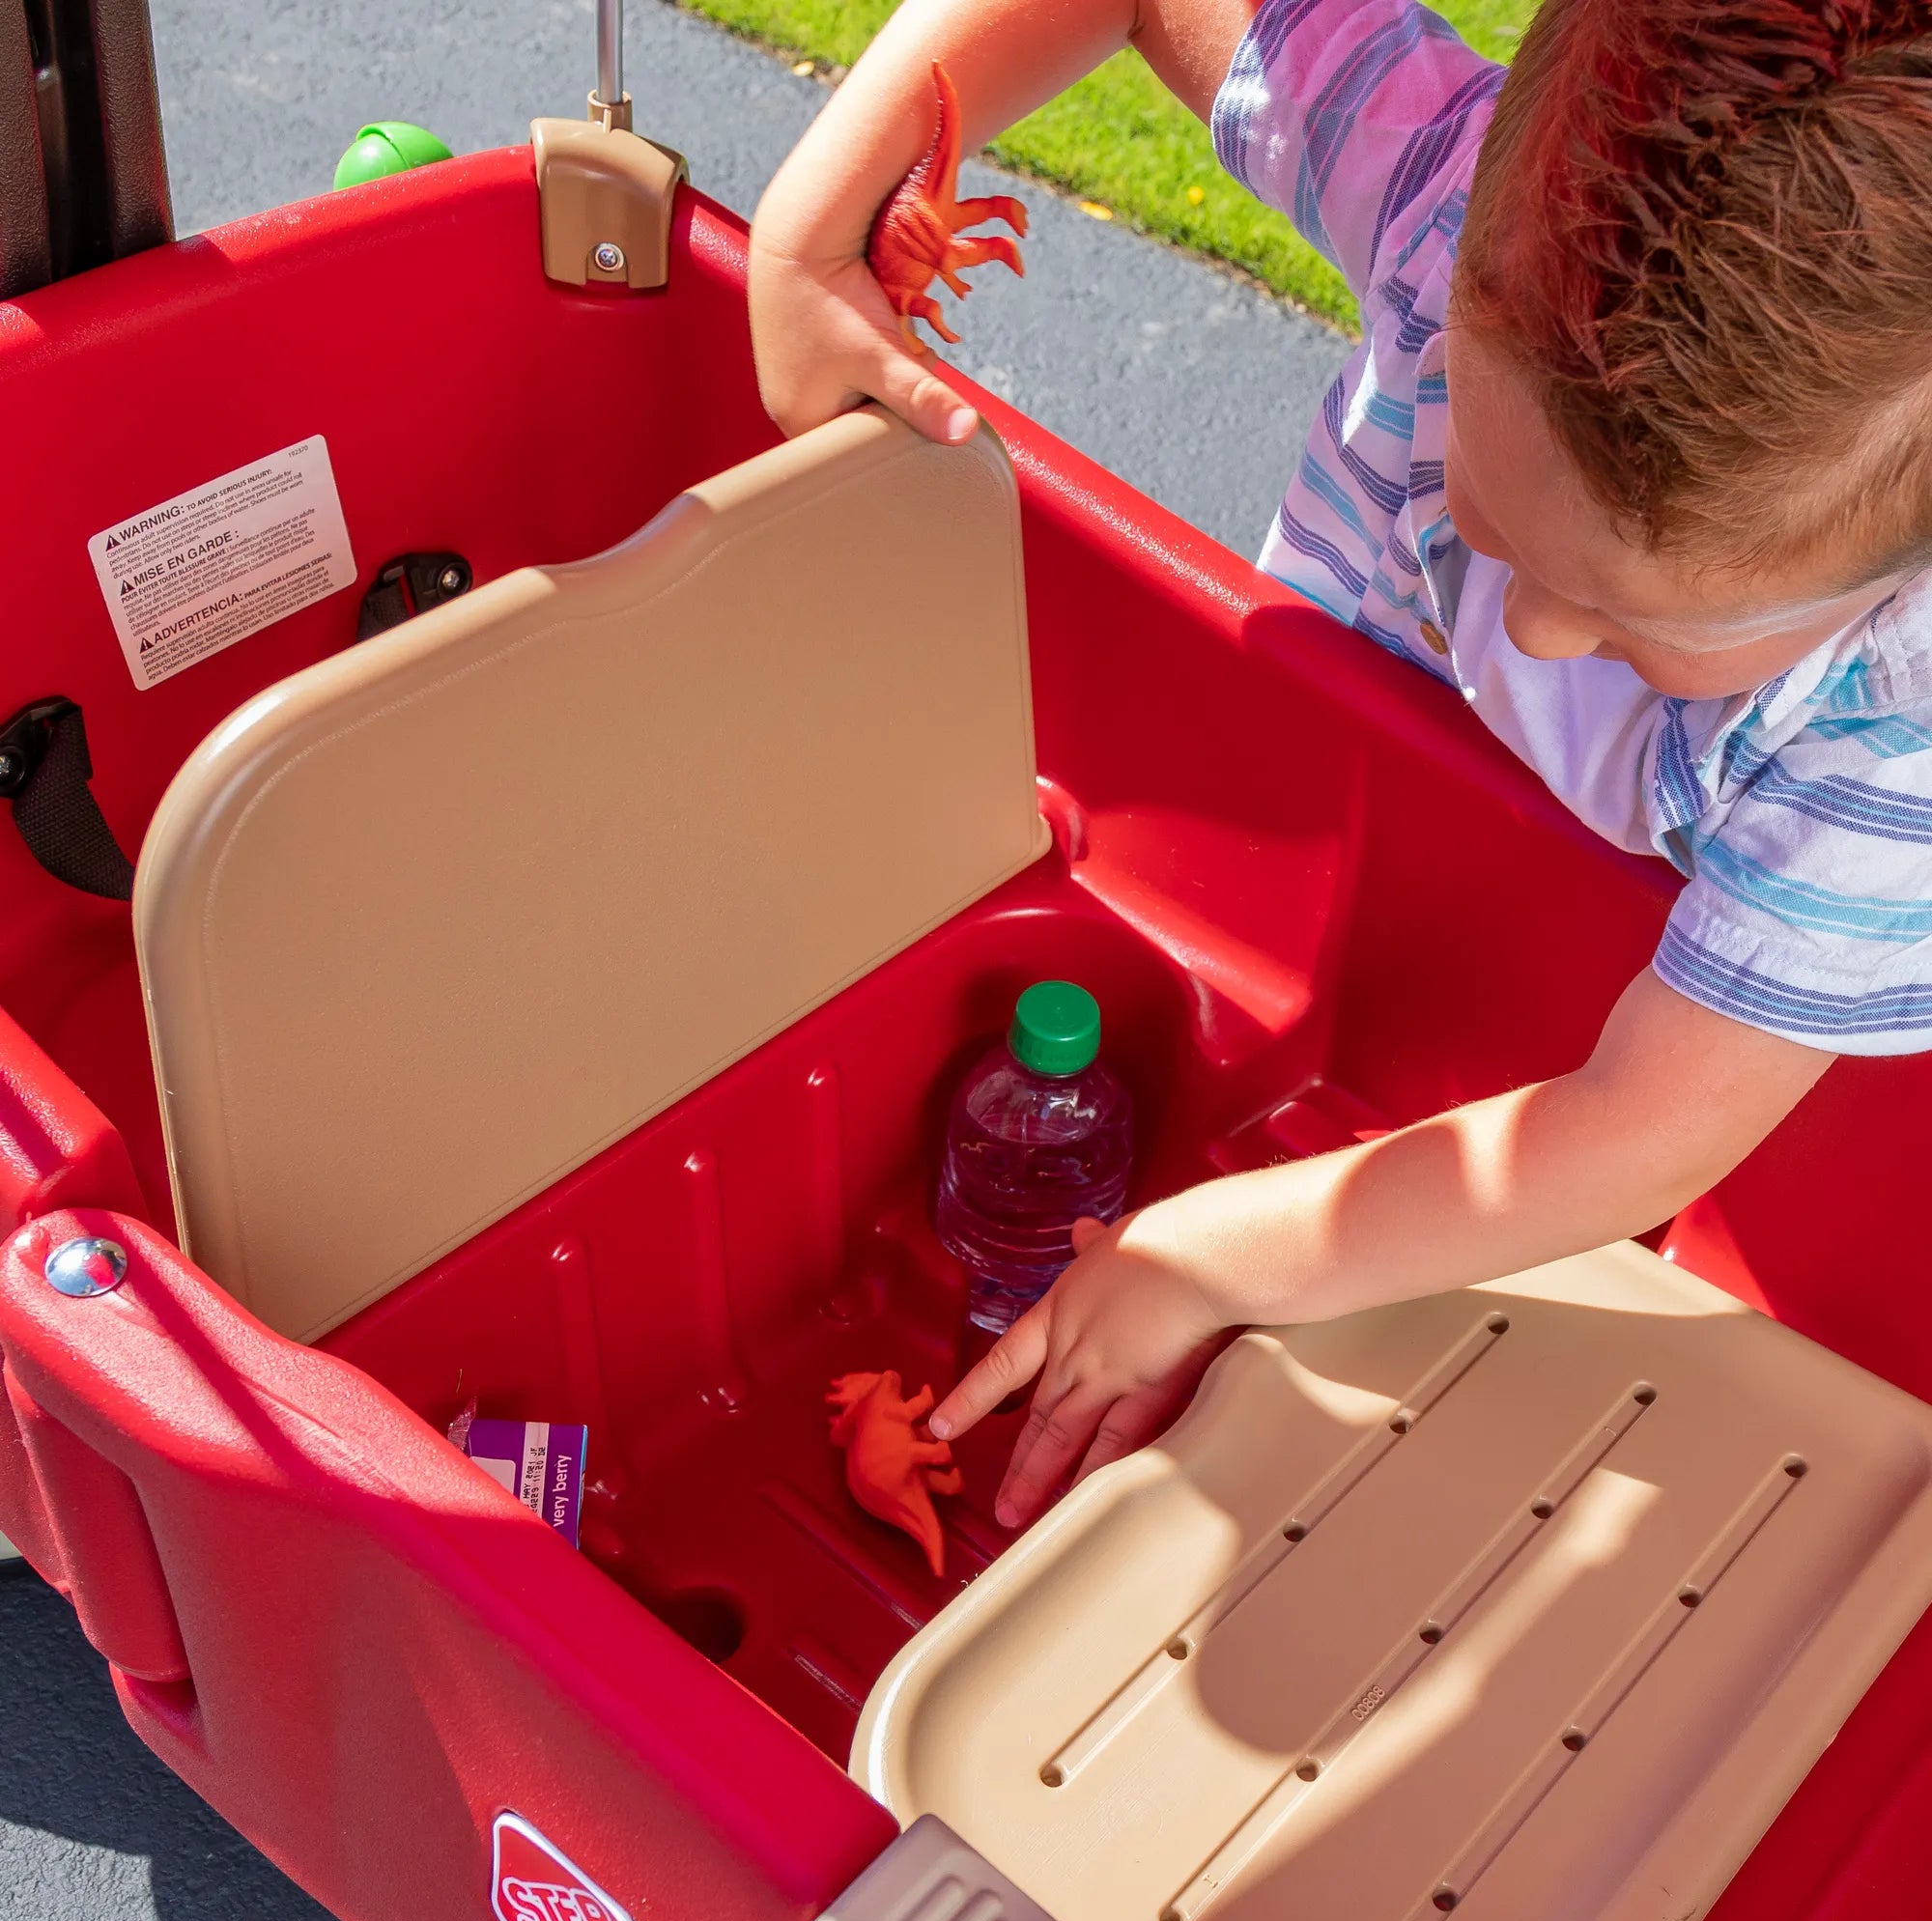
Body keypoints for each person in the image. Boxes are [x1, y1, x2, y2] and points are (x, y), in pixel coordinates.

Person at [750, 0, 1932, 1530]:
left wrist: (1212, 1254)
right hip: (1310, 845)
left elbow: (1638, 1136)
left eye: (1639, 622)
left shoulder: (1891, 738)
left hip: (1574, 1017)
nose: (1535, 631)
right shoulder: (1449, 201)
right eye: (1483, 518)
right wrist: (802, 235)